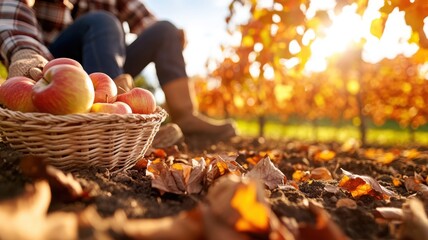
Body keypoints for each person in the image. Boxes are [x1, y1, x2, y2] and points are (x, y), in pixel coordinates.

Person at [0, 0, 236, 147]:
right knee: (103, 21)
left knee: (165, 30)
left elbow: (147, 22)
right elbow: (12, 11)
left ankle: (184, 115)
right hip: (51, 70)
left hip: (104, 77)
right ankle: (119, 126)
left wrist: (175, 39)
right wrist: (26, 54)